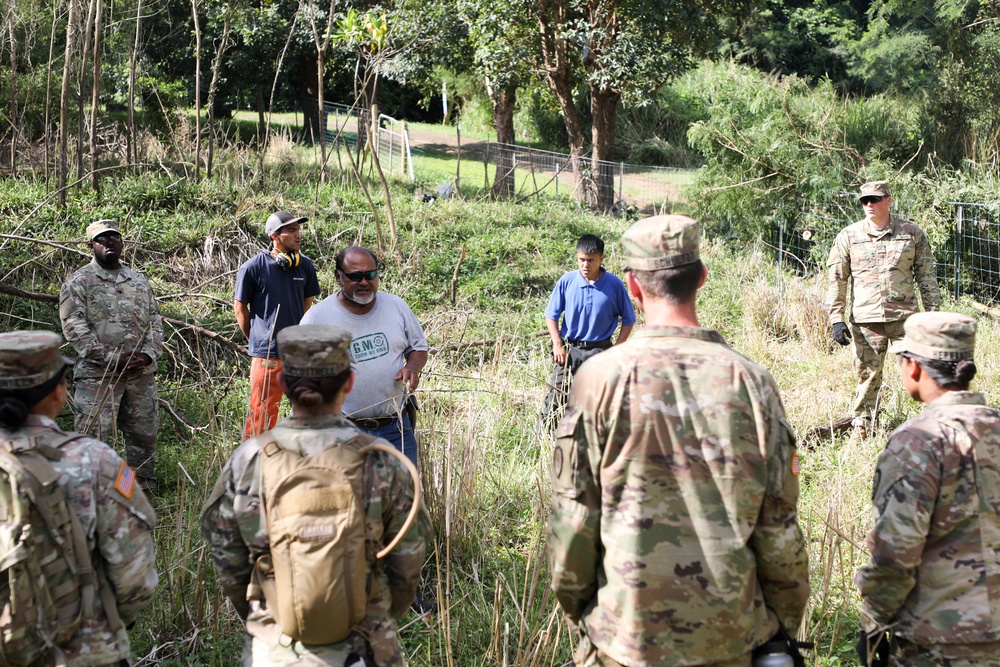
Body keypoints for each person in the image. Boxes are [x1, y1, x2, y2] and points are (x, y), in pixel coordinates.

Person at [548, 215, 809, 667]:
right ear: (702, 277)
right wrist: (779, 629)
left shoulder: (598, 379)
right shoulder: (752, 382)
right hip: (730, 637)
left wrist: (591, 621)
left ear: (632, 286)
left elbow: (574, 524)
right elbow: (779, 529)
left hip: (626, 636)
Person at [201, 325, 426, 667]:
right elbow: (408, 561)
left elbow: (228, 560)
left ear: (281, 384)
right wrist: (378, 611)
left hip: (275, 649)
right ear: (349, 382)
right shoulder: (382, 459)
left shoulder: (248, 461)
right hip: (367, 646)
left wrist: (268, 612)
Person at [0, 330, 158, 667]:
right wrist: (112, 618)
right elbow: (134, 575)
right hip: (83, 650)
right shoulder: (97, 461)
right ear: (58, 391)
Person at [856, 311, 1000, 667]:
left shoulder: (917, 441)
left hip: (940, 643)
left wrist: (873, 623)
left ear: (914, 367)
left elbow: (896, 552)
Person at [826, 181, 941, 439]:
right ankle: (862, 426)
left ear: (889, 200)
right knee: (867, 376)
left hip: (905, 320)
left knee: (921, 372)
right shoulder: (849, 236)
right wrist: (836, 318)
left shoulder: (911, 233)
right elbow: (837, 279)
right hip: (866, 321)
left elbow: (926, 276)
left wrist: (933, 312)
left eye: (875, 199)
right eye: (864, 200)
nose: (869, 204)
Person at [300, 246, 428, 467]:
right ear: (339, 277)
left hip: (396, 428)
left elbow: (418, 347)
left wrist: (412, 368)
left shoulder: (396, 307)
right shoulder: (316, 319)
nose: (364, 282)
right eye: (355, 276)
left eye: (370, 274)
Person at [59, 219, 163, 487]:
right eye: (102, 239)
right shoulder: (78, 282)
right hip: (98, 376)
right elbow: (74, 328)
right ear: (91, 245)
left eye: (114, 237)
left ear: (121, 242)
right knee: (95, 439)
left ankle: (134, 489)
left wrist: (148, 355)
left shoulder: (138, 281)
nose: (109, 242)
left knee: (141, 438)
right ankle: (93, 492)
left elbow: (155, 321)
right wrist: (112, 358)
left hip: (139, 376)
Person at [235, 210, 321, 440]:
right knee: (261, 416)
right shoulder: (253, 267)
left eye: (298, 230)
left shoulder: (305, 266)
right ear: (274, 235)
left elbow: (307, 304)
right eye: (291, 230)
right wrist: (258, 340)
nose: (298, 235)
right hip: (267, 356)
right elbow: (240, 309)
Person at [542, 234, 636, 428]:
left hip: (600, 351)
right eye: (582, 260)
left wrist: (616, 349)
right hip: (570, 352)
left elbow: (629, 320)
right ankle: (546, 437)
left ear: (601, 259)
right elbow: (551, 315)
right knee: (554, 400)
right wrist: (558, 344)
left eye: (591, 260)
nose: (585, 265)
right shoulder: (567, 281)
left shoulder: (614, 285)